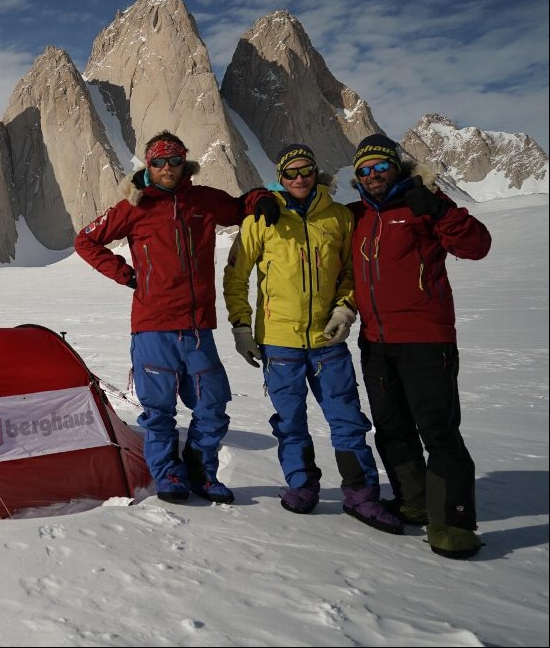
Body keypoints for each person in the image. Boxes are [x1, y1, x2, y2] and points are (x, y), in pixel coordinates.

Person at [75, 131, 280, 505]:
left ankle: (202, 471)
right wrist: (127, 274)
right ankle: (168, 474)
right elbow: (85, 241)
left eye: (174, 160)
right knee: (158, 411)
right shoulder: (133, 206)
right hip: (153, 325)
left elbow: (240, 206)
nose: (167, 168)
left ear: (184, 163)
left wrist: (262, 196)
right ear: (148, 166)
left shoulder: (202, 200)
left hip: (199, 327)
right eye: (158, 162)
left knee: (212, 405)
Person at [222, 144, 403, 534]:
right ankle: (302, 486)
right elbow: (236, 276)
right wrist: (241, 326)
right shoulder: (263, 218)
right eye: (291, 173)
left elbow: (352, 273)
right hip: (279, 341)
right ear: (280, 178)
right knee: (289, 422)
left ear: (316, 173)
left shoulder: (338, 218)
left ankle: (361, 495)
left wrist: (344, 309)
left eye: (306, 171)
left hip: (327, 341)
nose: (299, 179)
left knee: (348, 421)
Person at [349, 133, 492, 559]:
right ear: (356, 177)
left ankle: (452, 523)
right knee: (392, 428)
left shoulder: (422, 203)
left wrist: (443, 210)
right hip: (375, 341)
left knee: (438, 431)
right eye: (365, 170)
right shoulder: (357, 215)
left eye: (380, 166)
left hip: (427, 340)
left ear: (396, 167)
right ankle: (413, 501)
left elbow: (476, 246)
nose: (374, 175)